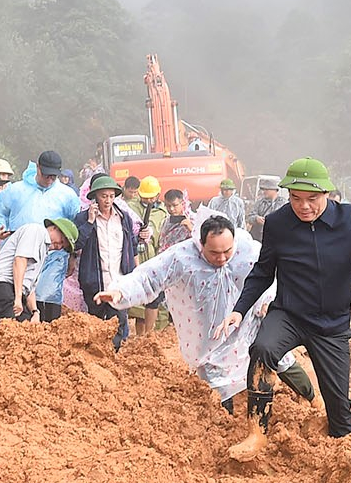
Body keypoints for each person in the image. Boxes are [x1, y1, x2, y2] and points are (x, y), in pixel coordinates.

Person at [220, 157, 351, 454]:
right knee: (262, 349)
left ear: (326, 193)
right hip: (289, 314)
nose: (303, 206)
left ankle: (339, 438)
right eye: (296, 198)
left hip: (331, 325)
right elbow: (262, 272)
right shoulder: (278, 223)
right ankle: (256, 433)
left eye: (312, 199)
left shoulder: (350, 219)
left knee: (340, 416)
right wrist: (239, 309)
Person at [95, 213, 314, 421]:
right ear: (201, 244)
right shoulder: (181, 257)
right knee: (216, 376)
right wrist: (119, 292)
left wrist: (269, 301)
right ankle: (227, 422)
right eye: (214, 253)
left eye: (227, 251)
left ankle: (313, 398)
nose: (222, 258)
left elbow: (274, 275)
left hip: (249, 317)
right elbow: (147, 277)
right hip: (210, 331)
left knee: (278, 356)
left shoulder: (249, 249)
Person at [0, 151, 82, 322]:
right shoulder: (16, 191)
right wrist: (0, 228)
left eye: (53, 177)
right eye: (46, 175)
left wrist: (72, 256)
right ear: (38, 168)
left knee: (48, 301)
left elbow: (73, 227)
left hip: (54, 259)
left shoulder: (67, 195)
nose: (49, 180)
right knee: (18, 302)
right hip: (21, 257)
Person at [74, 175, 137, 350]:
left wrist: (134, 271)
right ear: (95, 197)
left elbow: (132, 244)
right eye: (103, 196)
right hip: (94, 282)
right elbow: (77, 244)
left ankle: (113, 355)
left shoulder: (124, 217)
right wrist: (90, 222)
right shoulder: (82, 218)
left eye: (111, 196)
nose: (108, 200)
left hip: (119, 281)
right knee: (95, 323)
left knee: (118, 322)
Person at [0, 217, 78, 326]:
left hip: (5, 291)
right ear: (54, 228)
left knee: (29, 329)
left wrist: (35, 312)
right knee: (20, 331)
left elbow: (29, 286)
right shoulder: (37, 231)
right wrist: (18, 298)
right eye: (61, 241)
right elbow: (20, 261)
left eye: (63, 247)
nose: (59, 246)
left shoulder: (42, 250)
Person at [125, 175, 166, 334]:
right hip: (134, 258)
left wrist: (152, 233)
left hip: (153, 257)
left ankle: (149, 335)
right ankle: (139, 335)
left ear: (157, 195)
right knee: (136, 304)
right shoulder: (130, 207)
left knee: (153, 298)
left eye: (151, 197)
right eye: (145, 197)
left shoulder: (162, 212)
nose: (148, 201)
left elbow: (163, 234)